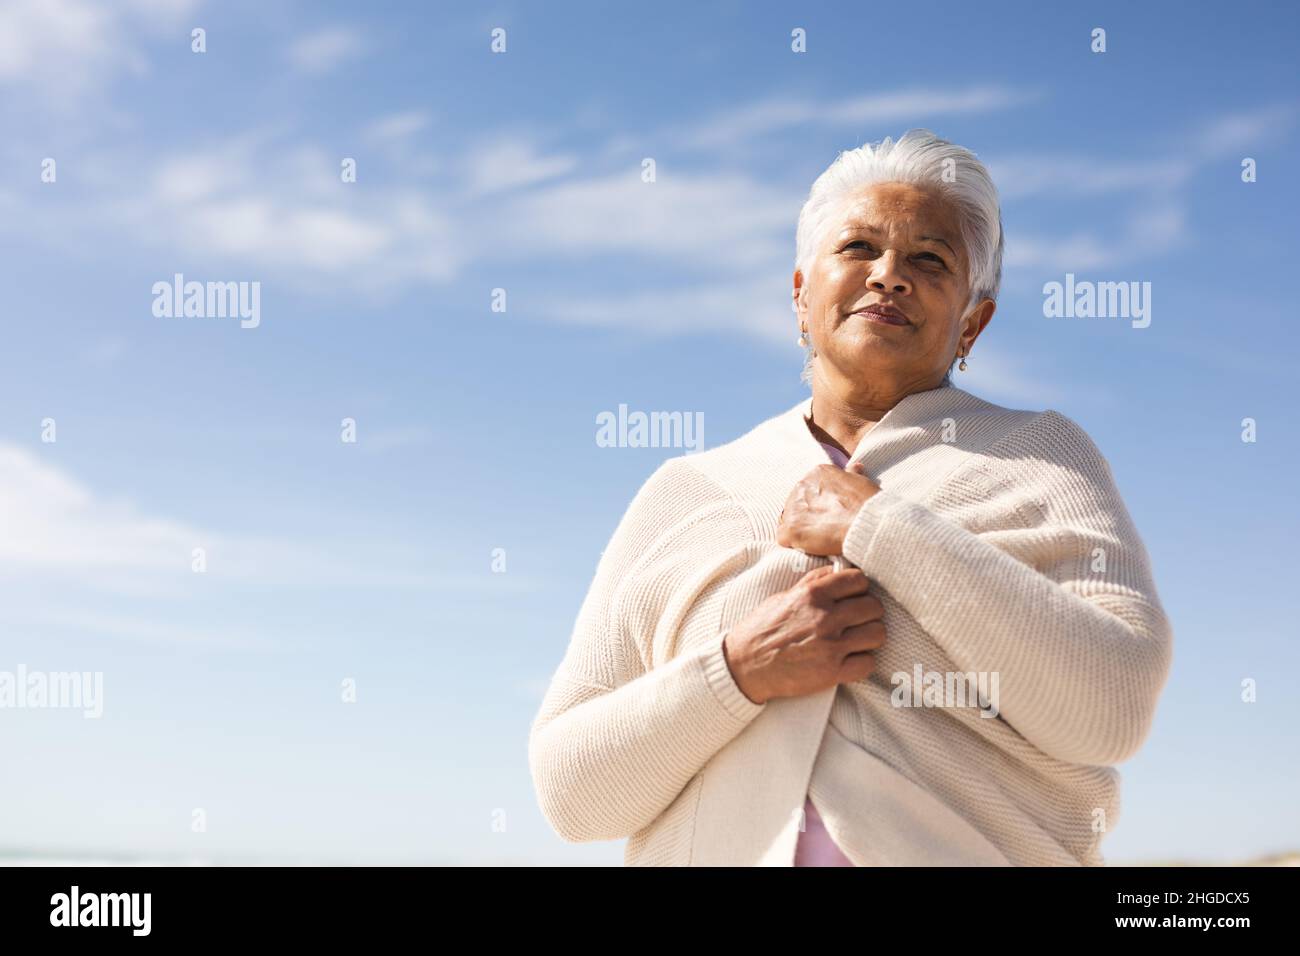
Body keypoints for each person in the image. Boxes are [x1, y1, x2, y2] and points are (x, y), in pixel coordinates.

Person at [528, 129, 1174, 866]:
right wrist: (739, 671)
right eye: (858, 248)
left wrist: (877, 527)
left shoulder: (1039, 456)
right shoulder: (688, 490)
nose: (889, 276)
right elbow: (571, 796)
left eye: (930, 259)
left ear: (973, 320)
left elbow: (1111, 708)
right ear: (801, 295)